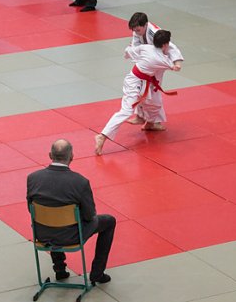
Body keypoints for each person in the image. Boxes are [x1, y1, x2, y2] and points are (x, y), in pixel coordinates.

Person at [26, 139, 115, 286]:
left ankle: (60, 270)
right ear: (72, 156)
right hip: (71, 236)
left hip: (42, 234)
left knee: (52, 218)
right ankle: (97, 273)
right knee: (109, 221)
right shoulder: (80, 182)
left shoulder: (33, 178)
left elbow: (31, 210)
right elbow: (89, 215)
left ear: (50, 155)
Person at [95, 28, 182, 152]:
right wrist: (177, 65)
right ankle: (102, 136)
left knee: (155, 104)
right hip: (134, 83)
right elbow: (175, 66)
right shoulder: (161, 60)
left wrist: (128, 51)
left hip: (141, 81)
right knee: (126, 110)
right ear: (165, 45)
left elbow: (130, 51)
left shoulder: (146, 47)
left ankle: (150, 124)